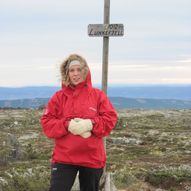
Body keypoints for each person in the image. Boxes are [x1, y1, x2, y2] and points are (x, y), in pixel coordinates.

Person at [40, 53, 117, 191]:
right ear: (66, 73)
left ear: (85, 71)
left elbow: (110, 119)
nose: (75, 74)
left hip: (92, 158)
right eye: (71, 70)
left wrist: (90, 124)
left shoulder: (98, 95)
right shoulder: (58, 97)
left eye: (79, 69)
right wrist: (67, 125)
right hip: (64, 158)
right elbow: (47, 123)